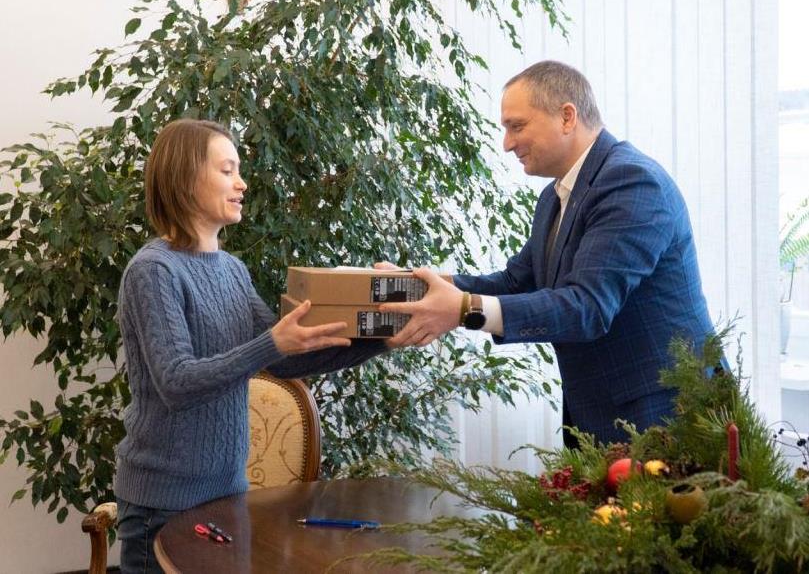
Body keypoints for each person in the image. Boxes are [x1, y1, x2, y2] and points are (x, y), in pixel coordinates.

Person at [378, 60, 717, 447]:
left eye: (517, 126)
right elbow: (515, 282)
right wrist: (422, 286)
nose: (507, 143)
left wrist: (463, 309)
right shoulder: (554, 197)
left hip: (665, 415)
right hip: (602, 413)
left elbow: (587, 307)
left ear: (567, 117)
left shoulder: (632, 182)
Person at [114, 119, 387, 573]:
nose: (242, 183)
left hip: (227, 495)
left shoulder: (232, 270)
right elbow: (176, 382)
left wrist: (385, 337)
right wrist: (270, 342)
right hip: (161, 505)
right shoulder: (153, 271)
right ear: (185, 178)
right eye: (227, 170)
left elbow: (285, 358)